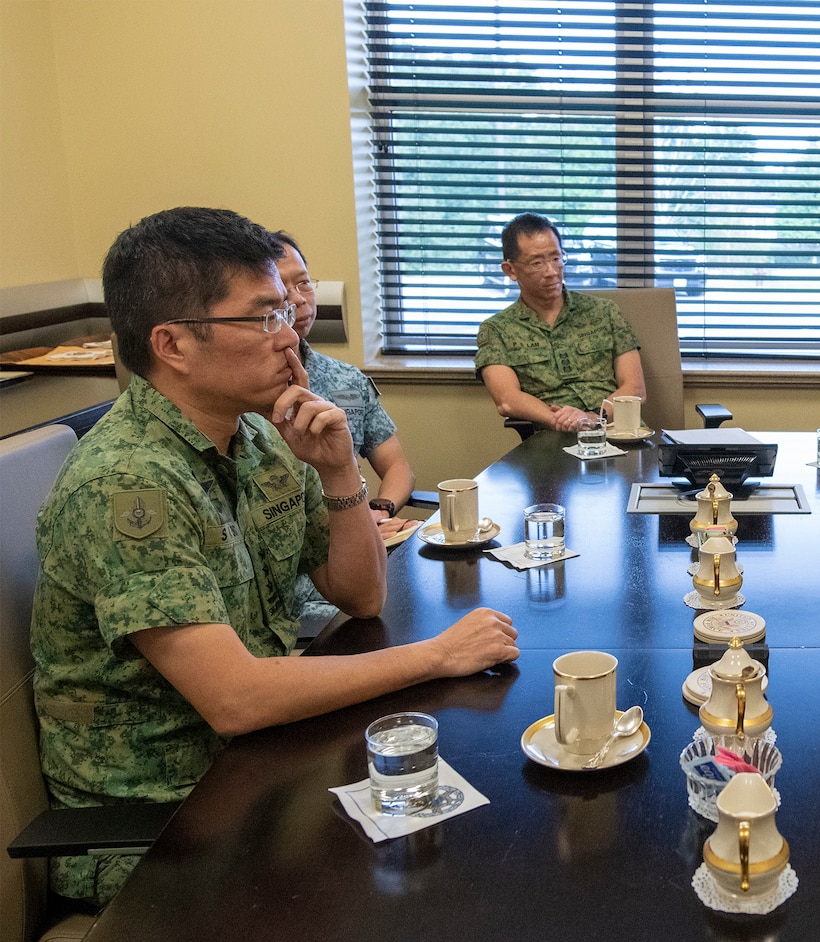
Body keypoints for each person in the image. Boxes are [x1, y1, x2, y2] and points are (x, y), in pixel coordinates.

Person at [32, 207, 520, 906]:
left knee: (475, 829)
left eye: (288, 310)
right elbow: (235, 698)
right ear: (172, 344)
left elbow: (360, 596)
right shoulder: (128, 480)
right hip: (166, 824)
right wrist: (437, 655)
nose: (291, 335)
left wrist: (340, 475)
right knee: (441, 891)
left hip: (259, 771)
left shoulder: (258, 438)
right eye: (263, 317)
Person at [270, 231, 414, 625]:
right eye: (283, 289)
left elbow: (397, 465)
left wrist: (378, 512)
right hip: (305, 580)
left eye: (304, 283)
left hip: (359, 538)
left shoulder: (345, 379)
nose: (299, 298)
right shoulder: (249, 398)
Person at [475, 213, 645, 433]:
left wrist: (592, 417)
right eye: (537, 263)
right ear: (511, 270)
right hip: (553, 441)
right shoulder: (497, 330)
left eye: (556, 258)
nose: (551, 272)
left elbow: (636, 388)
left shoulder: (605, 312)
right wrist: (565, 420)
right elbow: (507, 400)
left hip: (618, 432)